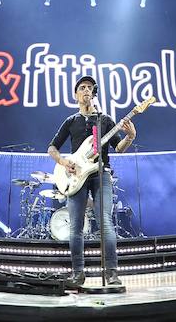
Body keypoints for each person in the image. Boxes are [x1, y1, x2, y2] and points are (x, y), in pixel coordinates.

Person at [48, 75, 136, 287]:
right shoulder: (71, 121)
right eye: (82, 87)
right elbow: (52, 147)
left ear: (94, 94)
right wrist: (63, 161)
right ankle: (78, 273)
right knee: (75, 226)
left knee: (105, 222)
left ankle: (112, 274)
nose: (87, 90)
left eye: (90, 88)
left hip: (101, 173)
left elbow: (118, 148)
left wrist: (130, 136)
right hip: (76, 176)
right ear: (76, 94)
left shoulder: (104, 120)